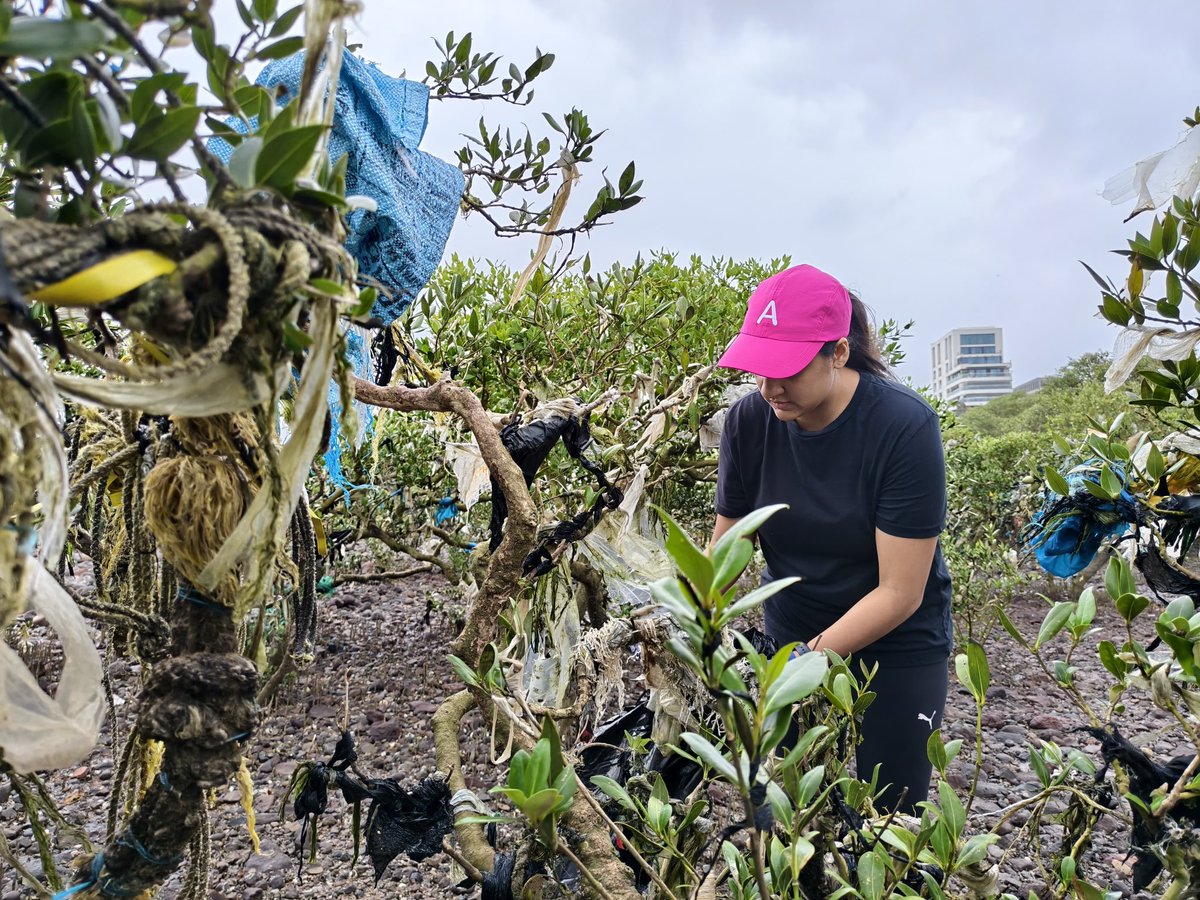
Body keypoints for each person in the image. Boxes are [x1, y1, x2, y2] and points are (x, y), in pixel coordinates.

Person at [710, 263, 952, 814]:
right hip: (790, 630)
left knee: (888, 819)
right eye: (759, 369)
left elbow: (900, 591)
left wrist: (806, 663)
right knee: (788, 815)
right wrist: (694, 623)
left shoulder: (903, 427)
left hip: (897, 645)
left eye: (787, 369)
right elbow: (730, 546)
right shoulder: (749, 420)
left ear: (837, 352)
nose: (770, 388)